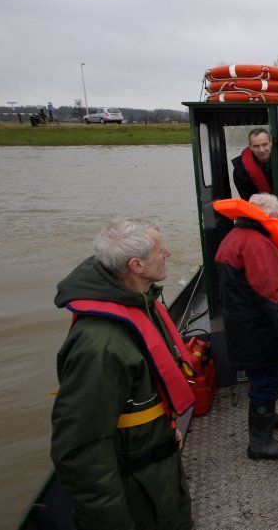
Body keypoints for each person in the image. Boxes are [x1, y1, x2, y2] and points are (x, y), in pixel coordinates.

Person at [51, 219, 194, 530]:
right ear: (136, 265)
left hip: (159, 472)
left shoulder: (140, 305)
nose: (168, 253)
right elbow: (82, 450)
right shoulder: (99, 346)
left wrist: (165, 428)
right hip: (138, 494)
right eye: (160, 250)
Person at [214, 193, 278, 460]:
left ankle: (270, 418)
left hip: (243, 324)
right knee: (266, 381)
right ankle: (260, 443)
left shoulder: (234, 238)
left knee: (263, 378)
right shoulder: (256, 245)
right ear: (268, 217)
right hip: (258, 329)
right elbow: (273, 297)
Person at [232, 128, 274, 200]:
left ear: (271, 143)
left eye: (264, 144)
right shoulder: (240, 171)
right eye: (256, 146)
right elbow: (249, 200)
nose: (261, 150)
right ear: (250, 147)